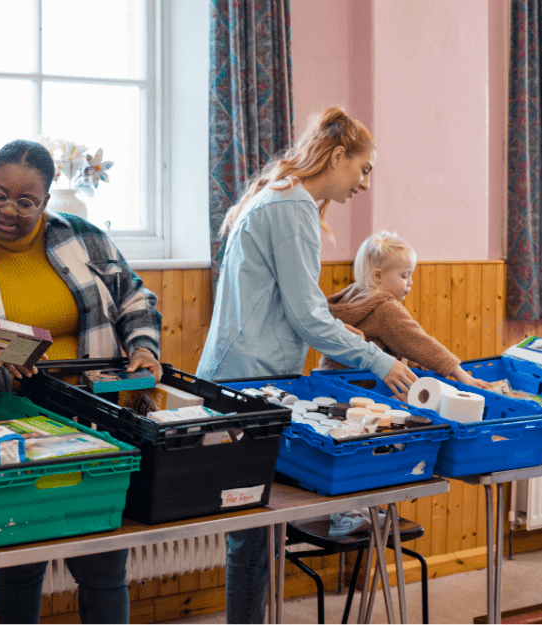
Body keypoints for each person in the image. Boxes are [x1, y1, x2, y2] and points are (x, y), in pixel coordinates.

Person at [0, 139, 162, 623]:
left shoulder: (84, 237)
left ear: (46, 203)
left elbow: (136, 296)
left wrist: (142, 346)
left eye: (26, 201)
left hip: (96, 423)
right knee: (20, 562)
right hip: (14, 429)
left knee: (103, 565)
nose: (8, 209)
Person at [195, 107, 418, 624]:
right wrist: (378, 358)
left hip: (247, 374)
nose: (365, 184)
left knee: (256, 531)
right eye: (363, 170)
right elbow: (307, 315)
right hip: (247, 379)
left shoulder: (278, 195)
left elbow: (296, 307)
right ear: (337, 156)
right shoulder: (291, 205)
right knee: (252, 535)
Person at [319, 230, 491, 391]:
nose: (410, 283)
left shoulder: (353, 295)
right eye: (404, 276)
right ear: (377, 276)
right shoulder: (385, 308)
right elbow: (420, 342)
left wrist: (412, 362)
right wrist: (463, 377)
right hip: (364, 389)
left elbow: (384, 343)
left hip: (330, 380)